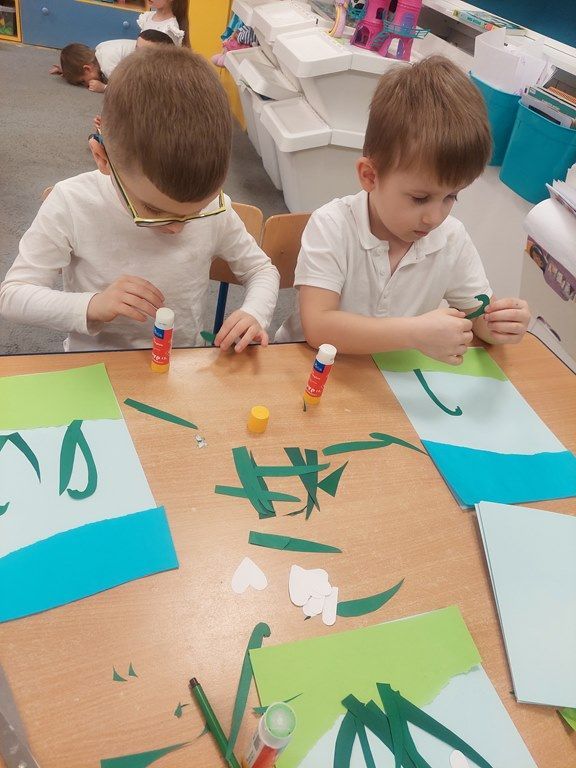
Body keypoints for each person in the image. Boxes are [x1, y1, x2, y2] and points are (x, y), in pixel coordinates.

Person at [1, 48, 279, 353]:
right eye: (154, 210)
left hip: (180, 360)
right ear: (102, 158)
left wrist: (254, 312)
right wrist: (93, 305)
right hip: (97, 363)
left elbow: (261, 270)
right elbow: (13, 296)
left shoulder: (215, 208)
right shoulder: (72, 202)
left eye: (196, 212)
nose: (177, 228)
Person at [275, 56, 531, 364]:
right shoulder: (332, 225)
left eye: (451, 197)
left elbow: (478, 316)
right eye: (420, 198)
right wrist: (414, 333)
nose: (435, 217)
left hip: (391, 375)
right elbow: (319, 327)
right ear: (370, 176)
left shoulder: (452, 239)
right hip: (309, 367)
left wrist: (500, 325)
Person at [49, 30, 174, 91]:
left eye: (82, 81)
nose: (85, 85)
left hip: (154, 63)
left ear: (87, 68)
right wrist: (65, 71)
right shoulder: (100, 49)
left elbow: (122, 88)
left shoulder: (107, 66)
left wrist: (104, 88)